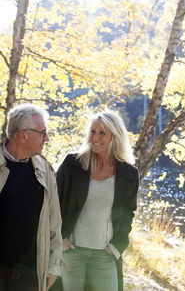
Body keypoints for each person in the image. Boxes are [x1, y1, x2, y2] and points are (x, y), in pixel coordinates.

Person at [57, 110, 139, 291]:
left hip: (105, 253)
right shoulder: (73, 164)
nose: (95, 137)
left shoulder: (129, 173)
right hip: (71, 250)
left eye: (102, 133)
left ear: (115, 136)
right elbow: (54, 202)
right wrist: (60, 239)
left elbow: (128, 213)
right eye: (93, 131)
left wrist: (117, 246)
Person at [0, 103, 62, 291]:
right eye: (42, 133)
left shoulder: (45, 170)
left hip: (30, 272)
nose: (47, 138)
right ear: (23, 134)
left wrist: (53, 266)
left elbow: (54, 223)